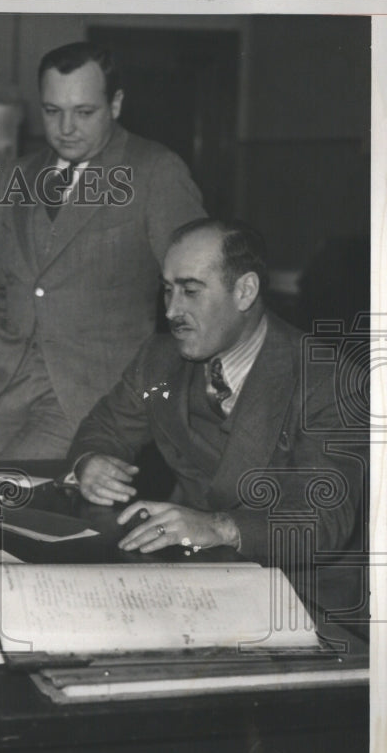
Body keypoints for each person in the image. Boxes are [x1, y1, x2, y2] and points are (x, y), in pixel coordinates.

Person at [67, 218, 365, 611]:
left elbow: (323, 521)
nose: (173, 310)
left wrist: (218, 527)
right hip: (199, 575)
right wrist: (92, 462)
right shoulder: (159, 360)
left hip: (303, 597)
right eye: (167, 290)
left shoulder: (329, 380)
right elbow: (104, 428)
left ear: (244, 292)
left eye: (191, 291)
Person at [0, 41, 206, 459]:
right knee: (21, 517)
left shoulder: (156, 171)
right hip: (3, 391)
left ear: (115, 104)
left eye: (84, 112)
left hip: (95, 398)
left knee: (9, 499)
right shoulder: (18, 175)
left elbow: (197, 289)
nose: (66, 128)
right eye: (52, 111)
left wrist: (159, 388)